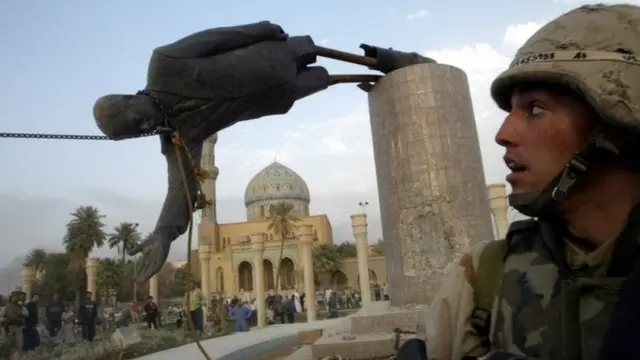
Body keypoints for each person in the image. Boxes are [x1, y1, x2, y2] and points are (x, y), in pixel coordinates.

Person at [424, 4, 640, 360]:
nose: (503, 134)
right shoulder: (484, 277)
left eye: (535, 109)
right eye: (511, 110)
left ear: (616, 122)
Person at [0, 291, 27, 359]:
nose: (15, 298)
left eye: (16, 297)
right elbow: (1, 316)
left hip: (18, 328)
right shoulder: (6, 306)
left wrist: (21, 315)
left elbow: (26, 314)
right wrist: (5, 320)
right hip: (9, 328)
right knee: (7, 344)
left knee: (19, 344)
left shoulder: (20, 307)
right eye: (14, 297)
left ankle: (18, 357)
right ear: (11, 298)